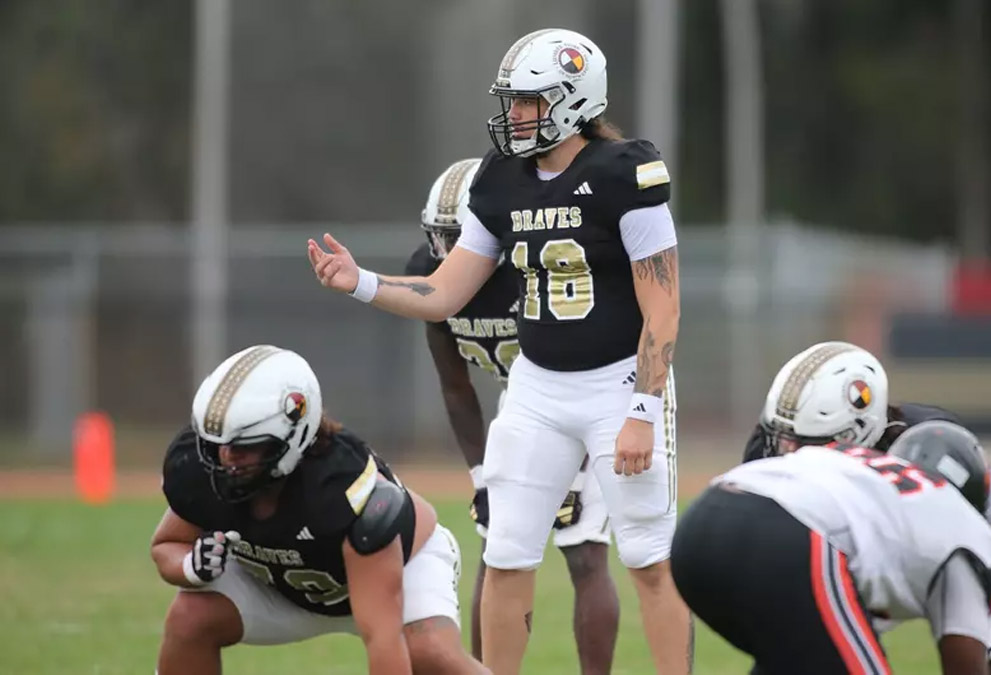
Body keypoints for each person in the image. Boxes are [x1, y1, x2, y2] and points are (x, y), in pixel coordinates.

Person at [308, 27, 690, 675]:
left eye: (528, 101)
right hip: (538, 385)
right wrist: (362, 282)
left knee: (648, 557)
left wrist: (643, 410)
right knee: (509, 553)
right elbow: (445, 291)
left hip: (618, 381)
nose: (512, 114)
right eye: (510, 100)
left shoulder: (625, 173)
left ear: (573, 100)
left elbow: (663, 305)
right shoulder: (499, 179)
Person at [150, 344, 486, 675]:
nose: (226, 459)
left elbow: (382, 638)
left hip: (398, 570)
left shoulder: (340, 489)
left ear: (295, 435)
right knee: (190, 619)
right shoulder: (203, 471)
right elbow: (167, 545)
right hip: (284, 587)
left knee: (427, 652)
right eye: (218, 445)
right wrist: (190, 566)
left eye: (244, 446)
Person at [407, 157, 620, 671]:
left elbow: (597, 356)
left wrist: (581, 470)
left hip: (597, 388)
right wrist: (481, 478)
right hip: (526, 401)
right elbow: (455, 386)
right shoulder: (426, 272)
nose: (448, 252)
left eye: (462, 237)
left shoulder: (539, 269)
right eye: (442, 238)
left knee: (583, 547)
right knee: (499, 547)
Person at [742, 340, 991, 674]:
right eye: (784, 437)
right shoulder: (769, 450)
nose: (790, 450)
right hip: (840, 573)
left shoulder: (930, 448)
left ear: (861, 431)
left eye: (808, 442)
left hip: (931, 571)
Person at [672, 418, 991, 675]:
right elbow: (964, 662)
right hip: (787, 534)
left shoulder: (869, 473)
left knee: (796, 660)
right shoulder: (963, 531)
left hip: (700, 524)